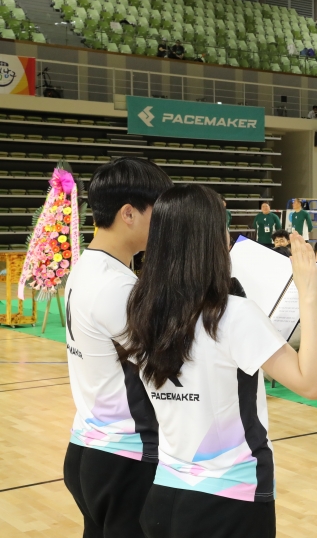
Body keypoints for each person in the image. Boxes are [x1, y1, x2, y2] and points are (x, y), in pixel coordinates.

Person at [118, 185, 317, 537]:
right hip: (231, 498)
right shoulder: (231, 315)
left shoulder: (140, 311)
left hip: (163, 495)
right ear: (209, 239)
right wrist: (307, 293)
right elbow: (311, 384)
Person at [63, 157, 173, 538]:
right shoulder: (118, 286)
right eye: (158, 212)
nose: (163, 224)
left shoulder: (88, 267)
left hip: (89, 446)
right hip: (125, 455)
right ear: (129, 214)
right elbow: (164, 368)